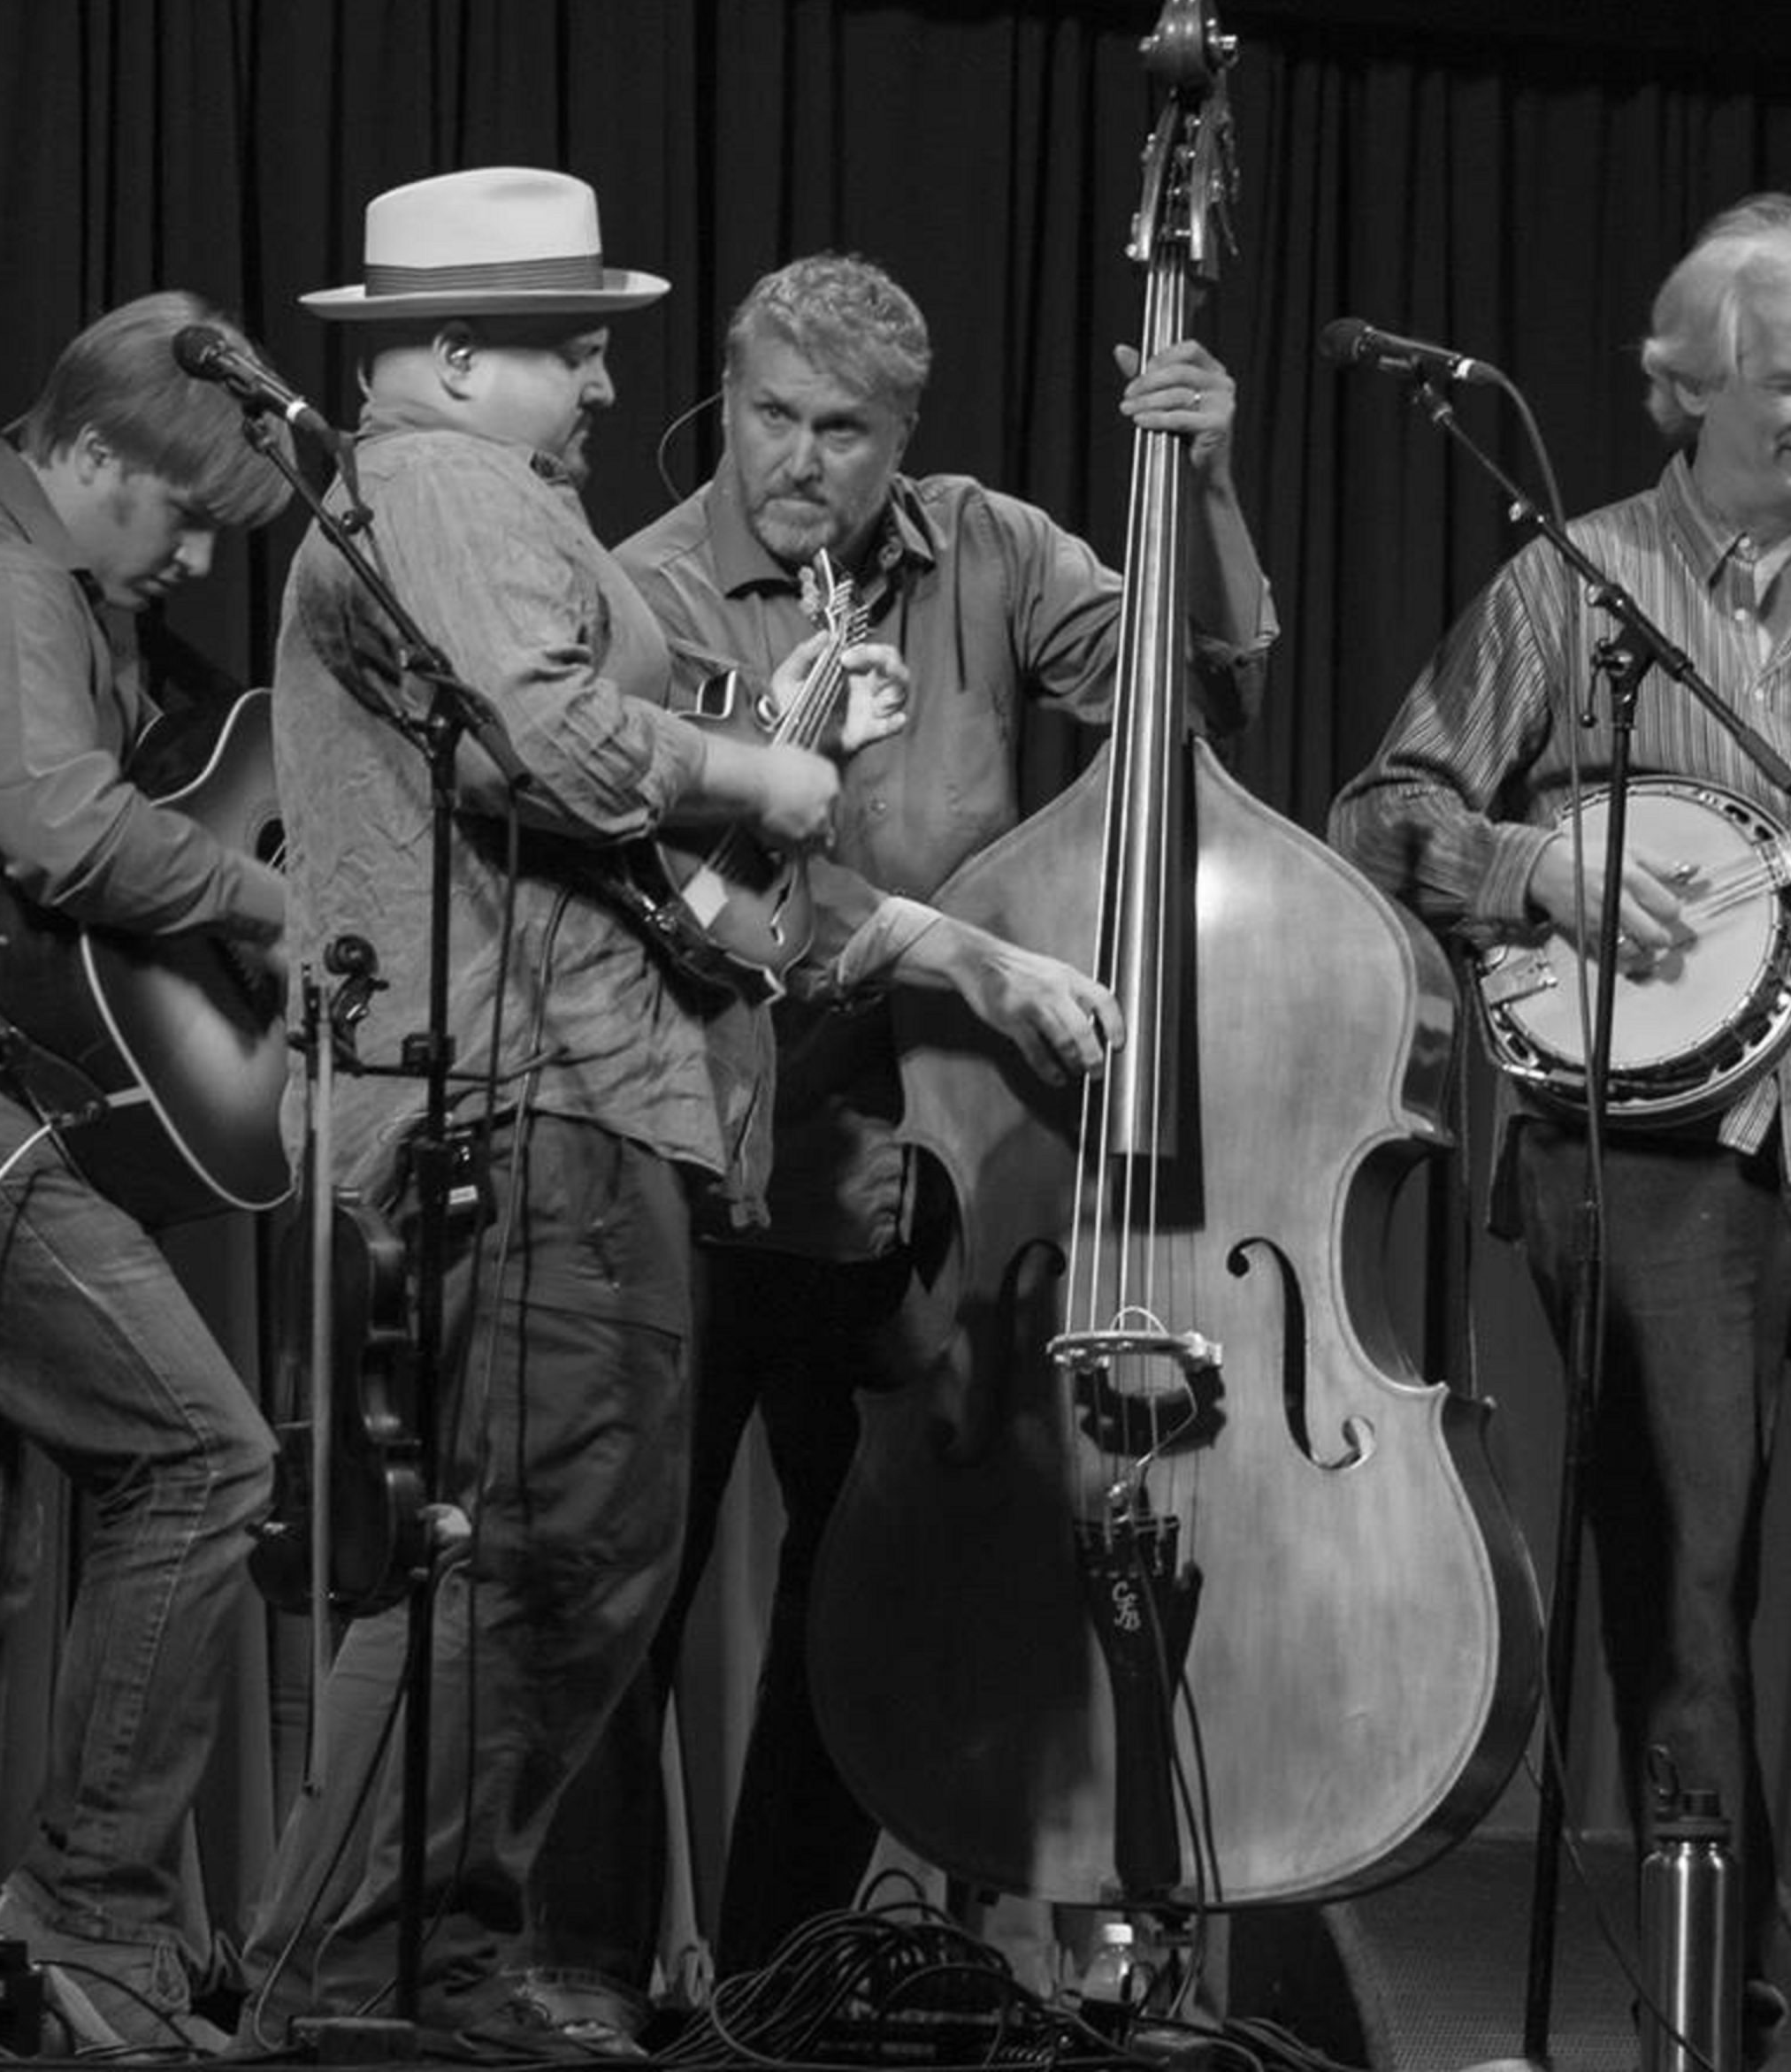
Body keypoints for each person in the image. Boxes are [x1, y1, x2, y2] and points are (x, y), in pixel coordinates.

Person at [1328, 193, 1791, 2072]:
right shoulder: (1570, 587)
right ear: (1686, 389)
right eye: (1786, 379)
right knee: (1681, 1583)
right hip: (1640, 1142)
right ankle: (1704, 2004)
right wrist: (1537, 864)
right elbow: (1378, 810)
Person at [527, 249, 1273, 2043]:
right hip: (694, 1157)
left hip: (913, 1173)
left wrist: (1207, 478)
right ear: (727, 394)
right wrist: (981, 955)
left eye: (841, 430)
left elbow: (1200, 700)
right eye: (770, 415)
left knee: (865, 1594)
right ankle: (579, 1969)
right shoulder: (637, 593)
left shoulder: (987, 552)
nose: (798, 457)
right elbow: (728, 883)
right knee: (625, 1582)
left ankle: (781, 1961)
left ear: (898, 440)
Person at [232, 172, 904, 2053]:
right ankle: (351, 1965)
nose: (606, 380)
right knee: (543, 1540)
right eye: (567, 343)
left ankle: (407, 1959)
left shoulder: (487, 504)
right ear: (448, 355)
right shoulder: (443, 484)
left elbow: (575, 799)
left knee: (549, 1544)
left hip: (555, 1084)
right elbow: (545, 727)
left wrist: (772, 753)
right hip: (514, 1098)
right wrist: (754, 766)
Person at [0, 292, 295, 2051]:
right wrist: (277, 910)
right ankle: (87, 1916)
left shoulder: (15, 579)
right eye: (170, 512)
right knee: (208, 1452)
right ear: (89, 454)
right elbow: (71, 833)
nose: (181, 555)